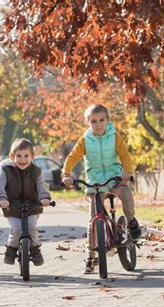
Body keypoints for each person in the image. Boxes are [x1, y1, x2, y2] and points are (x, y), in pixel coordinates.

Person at [61, 104, 141, 274]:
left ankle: (131, 221)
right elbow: (72, 157)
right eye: (93, 121)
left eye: (101, 120)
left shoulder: (114, 137)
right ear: (87, 123)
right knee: (93, 219)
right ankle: (92, 256)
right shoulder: (85, 140)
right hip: (95, 180)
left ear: (108, 120)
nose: (98, 124)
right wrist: (66, 174)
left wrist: (127, 171)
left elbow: (124, 155)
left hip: (114, 175)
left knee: (126, 193)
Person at [0, 138, 52, 266]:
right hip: (12, 206)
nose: (23, 159)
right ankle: (11, 250)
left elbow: (42, 187)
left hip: (32, 205)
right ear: (11, 156)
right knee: (16, 228)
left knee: (31, 227)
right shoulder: (6, 170)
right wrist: (2, 199)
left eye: (26, 156)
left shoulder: (36, 171)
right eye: (19, 156)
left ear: (32, 156)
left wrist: (45, 198)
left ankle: (35, 249)